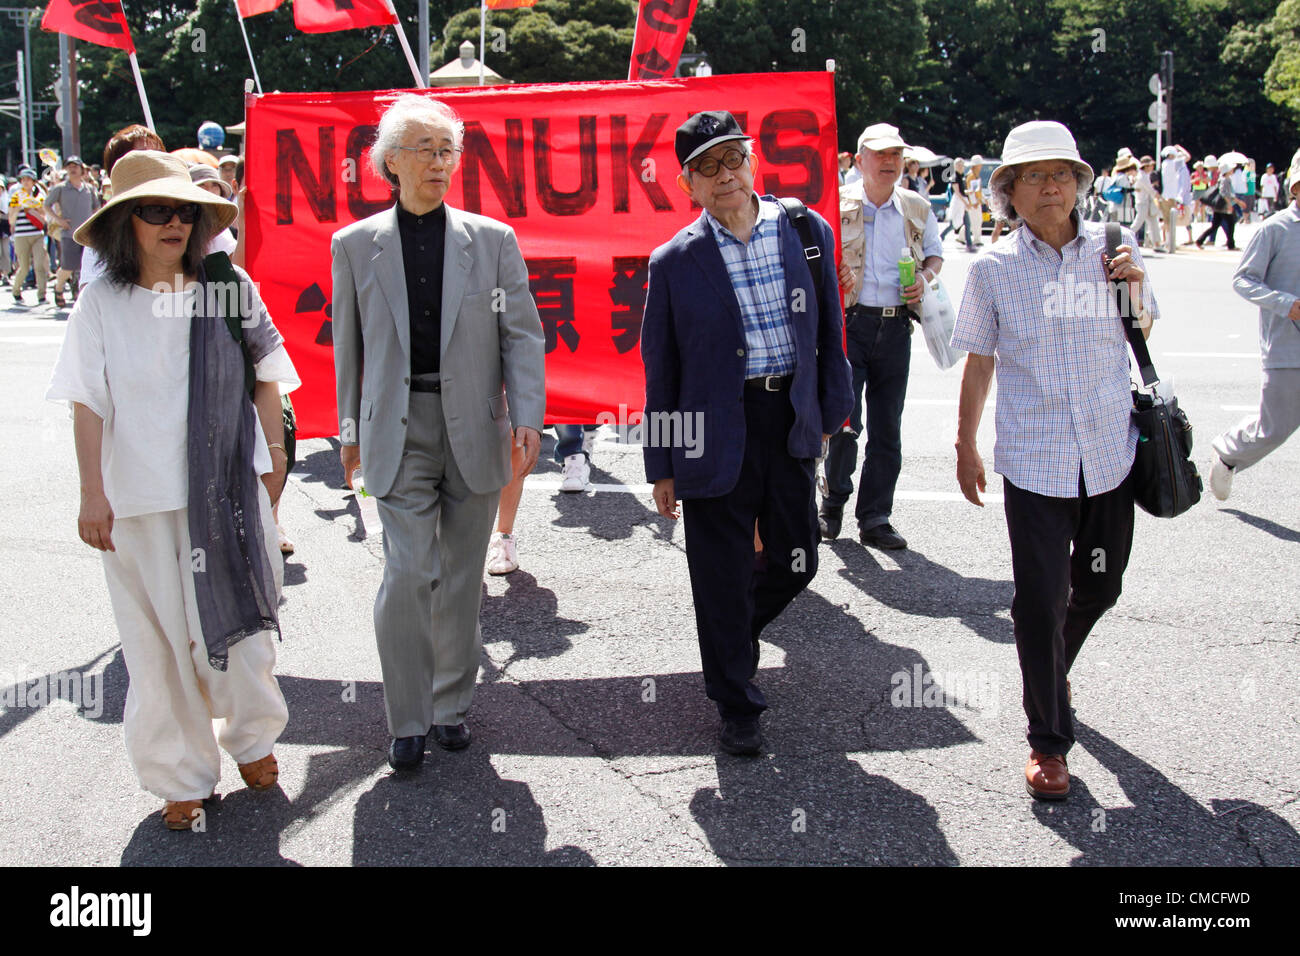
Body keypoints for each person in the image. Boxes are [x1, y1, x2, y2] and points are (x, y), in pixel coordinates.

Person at [45, 151, 295, 829]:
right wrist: (90, 492)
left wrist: (273, 455)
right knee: (154, 649)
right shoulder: (100, 302)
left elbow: (268, 374)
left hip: (225, 495)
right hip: (137, 505)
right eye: (157, 211)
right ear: (127, 223)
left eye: (185, 211)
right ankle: (181, 775)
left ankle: (254, 741)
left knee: (242, 637)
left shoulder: (227, 284)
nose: (174, 223)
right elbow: (86, 403)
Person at [332, 94, 546, 771]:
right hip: (397, 430)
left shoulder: (492, 241)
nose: (438, 161)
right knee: (409, 571)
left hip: (477, 430)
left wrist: (530, 416)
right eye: (423, 148)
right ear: (389, 160)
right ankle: (407, 717)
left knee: (459, 577)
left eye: (447, 149)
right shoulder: (354, 245)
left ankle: (451, 707)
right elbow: (348, 347)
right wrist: (347, 428)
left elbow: (522, 334)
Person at [952, 121, 1157, 801]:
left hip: (1110, 451)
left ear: (1079, 184)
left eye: (1063, 174)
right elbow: (979, 361)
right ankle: (1048, 739)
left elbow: (1144, 326)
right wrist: (964, 444)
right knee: (1039, 602)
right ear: (1009, 191)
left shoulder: (1111, 247)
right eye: (1036, 176)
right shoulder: (993, 269)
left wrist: (1136, 289)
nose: (1052, 186)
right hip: (1035, 461)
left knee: (1100, 587)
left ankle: (1051, 664)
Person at [641, 110, 852, 755]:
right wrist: (663, 463)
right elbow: (662, 366)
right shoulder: (674, 260)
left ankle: (729, 637)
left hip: (787, 417)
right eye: (707, 166)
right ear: (688, 185)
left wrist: (830, 413)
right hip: (708, 430)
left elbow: (827, 334)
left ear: (752, 161)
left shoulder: (805, 231)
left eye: (733, 157)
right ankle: (736, 700)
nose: (724, 174)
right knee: (718, 570)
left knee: (798, 559)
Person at [821, 122, 944, 551]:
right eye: (881, 154)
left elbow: (935, 254)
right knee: (844, 421)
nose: (890, 161)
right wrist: (832, 272)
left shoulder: (915, 205)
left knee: (888, 427)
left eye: (896, 154)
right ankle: (832, 502)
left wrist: (924, 279)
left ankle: (875, 516)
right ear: (859, 161)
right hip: (851, 324)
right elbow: (814, 253)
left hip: (896, 326)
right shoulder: (836, 203)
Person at [1208, 149, 1300, 501]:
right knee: (1273, 429)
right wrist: (1285, 304)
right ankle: (1229, 453)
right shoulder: (1274, 229)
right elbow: (1243, 280)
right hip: (1286, 347)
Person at [80, 125, 168, 290]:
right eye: (143, 154)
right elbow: (89, 295)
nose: (154, 160)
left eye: (159, 154)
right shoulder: (105, 229)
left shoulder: (187, 214)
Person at [43, 156, 101, 308]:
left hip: (87, 235)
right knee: (68, 266)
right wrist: (58, 220)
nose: (72, 169)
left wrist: (95, 221)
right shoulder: (60, 188)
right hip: (69, 234)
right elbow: (47, 205)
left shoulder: (89, 189)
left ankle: (79, 293)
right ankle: (59, 288)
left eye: (75, 166)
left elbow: (97, 207)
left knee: (86, 266)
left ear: (82, 169)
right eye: (69, 167)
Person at [8, 166, 48, 305]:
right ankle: (16, 291)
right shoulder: (15, 196)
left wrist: (33, 211)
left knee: (39, 265)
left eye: (28, 179)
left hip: (37, 234)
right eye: (23, 179)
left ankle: (42, 295)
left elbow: (44, 218)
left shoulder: (39, 196)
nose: (25, 182)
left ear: (34, 181)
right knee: (24, 267)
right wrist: (18, 207)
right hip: (21, 235)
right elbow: (11, 220)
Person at [188, 164, 237, 256]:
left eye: (214, 185)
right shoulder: (181, 225)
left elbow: (234, 264)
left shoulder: (222, 231)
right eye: (202, 185)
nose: (209, 190)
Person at [1197, 160, 1239, 250]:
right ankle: (1231, 245)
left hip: (1218, 206)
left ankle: (1200, 240)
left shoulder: (1221, 179)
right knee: (1231, 223)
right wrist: (1229, 204)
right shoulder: (1226, 180)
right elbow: (1224, 193)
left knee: (1215, 226)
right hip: (1223, 206)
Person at [940, 157, 975, 252]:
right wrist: (966, 203)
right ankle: (940, 238)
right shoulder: (954, 177)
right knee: (954, 224)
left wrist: (969, 193)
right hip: (958, 202)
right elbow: (957, 192)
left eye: (961, 165)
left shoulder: (962, 176)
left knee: (967, 223)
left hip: (963, 202)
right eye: (958, 165)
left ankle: (969, 244)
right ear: (955, 166)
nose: (960, 166)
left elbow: (963, 191)